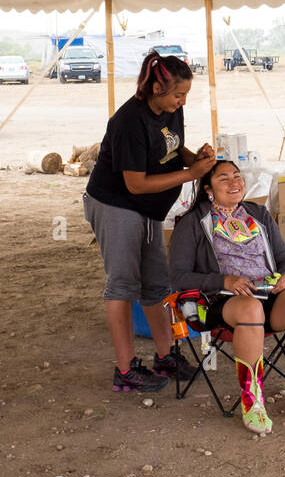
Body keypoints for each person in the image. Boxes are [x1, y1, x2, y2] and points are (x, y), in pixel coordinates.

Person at [170, 159, 285, 434]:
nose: (234, 182)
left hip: (267, 295)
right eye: (224, 178)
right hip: (220, 301)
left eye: (237, 176)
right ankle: (253, 403)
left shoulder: (258, 214)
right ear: (209, 188)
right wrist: (224, 280)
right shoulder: (192, 224)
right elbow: (177, 276)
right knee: (250, 309)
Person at [83, 49, 217, 394]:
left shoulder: (171, 110)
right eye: (178, 94)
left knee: (157, 283)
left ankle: (165, 356)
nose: (182, 101)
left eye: (185, 94)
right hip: (116, 204)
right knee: (123, 283)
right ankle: (125, 371)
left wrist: (196, 159)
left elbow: (173, 149)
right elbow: (135, 183)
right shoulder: (129, 121)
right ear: (158, 90)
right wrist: (191, 173)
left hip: (146, 209)